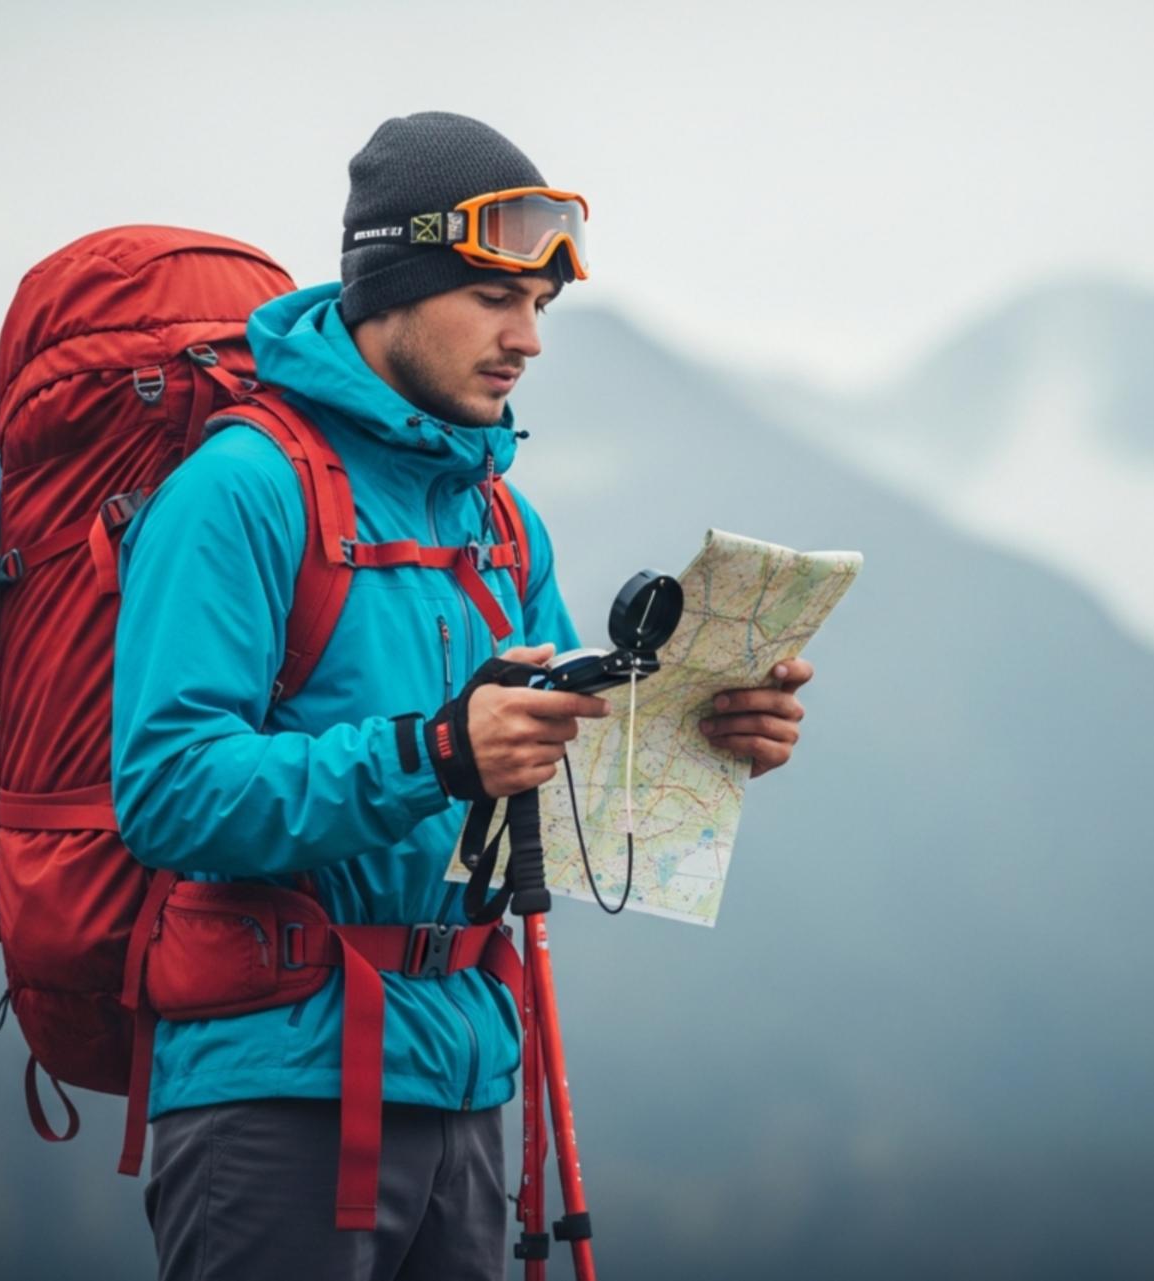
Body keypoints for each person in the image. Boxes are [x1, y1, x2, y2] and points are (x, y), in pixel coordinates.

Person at [110, 111, 813, 1280]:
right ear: (391, 283)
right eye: (496, 296)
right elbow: (168, 793)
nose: (528, 339)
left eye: (541, 307)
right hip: (277, 1089)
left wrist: (709, 739)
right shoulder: (239, 491)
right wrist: (434, 752)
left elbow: (554, 792)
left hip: (469, 1079)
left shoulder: (497, 521)